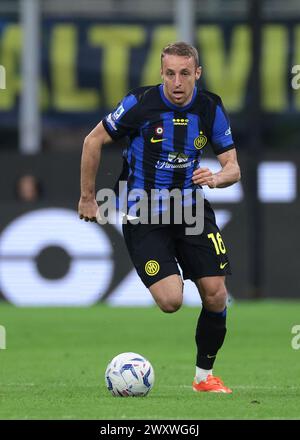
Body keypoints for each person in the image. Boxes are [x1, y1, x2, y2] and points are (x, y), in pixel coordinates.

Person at [78, 42, 241, 393]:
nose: (177, 82)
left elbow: (233, 169)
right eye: (170, 74)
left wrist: (215, 177)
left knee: (215, 293)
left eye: (185, 73)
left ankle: (204, 378)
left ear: (197, 73)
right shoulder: (140, 103)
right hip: (144, 213)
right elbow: (93, 141)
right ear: (161, 74)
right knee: (171, 301)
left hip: (191, 210)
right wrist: (88, 198)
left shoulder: (209, 107)